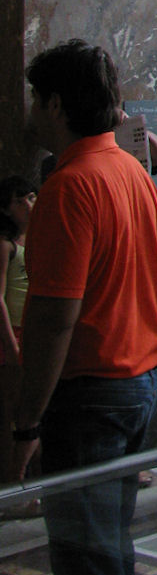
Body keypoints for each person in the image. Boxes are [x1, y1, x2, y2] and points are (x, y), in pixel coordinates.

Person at [12, 41, 157, 575]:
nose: (29, 110)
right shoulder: (128, 169)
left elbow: (54, 319)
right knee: (109, 545)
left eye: (35, 98)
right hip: (137, 381)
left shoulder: (70, 186)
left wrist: (26, 423)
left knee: (87, 558)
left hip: (91, 392)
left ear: (54, 104)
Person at [0, 177, 34, 492]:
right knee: (12, 410)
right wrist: (10, 344)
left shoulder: (36, 239)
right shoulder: (6, 245)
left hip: (34, 329)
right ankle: (12, 482)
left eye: (31, 198)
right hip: (13, 332)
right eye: (19, 200)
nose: (28, 205)